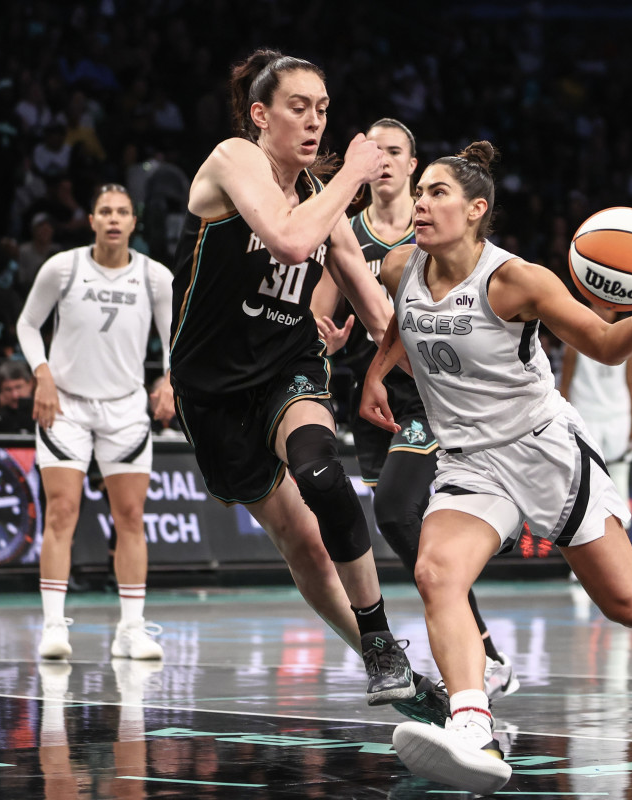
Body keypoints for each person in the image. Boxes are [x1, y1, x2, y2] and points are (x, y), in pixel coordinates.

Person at [360, 142, 632, 795]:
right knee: (435, 572)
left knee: (631, 605)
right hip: (470, 460)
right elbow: (404, 323)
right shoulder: (397, 266)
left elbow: (606, 347)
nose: (420, 201)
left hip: (543, 450)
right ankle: (473, 725)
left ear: (477, 210)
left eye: (438, 192)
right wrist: (378, 370)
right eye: (421, 191)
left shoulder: (518, 281)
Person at [168, 50, 440, 721]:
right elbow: (291, 244)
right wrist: (352, 172)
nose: (315, 120)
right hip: (212, 393)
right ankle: (394, 667)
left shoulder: (323, 198)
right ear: (261, 115)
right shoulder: (234, 159)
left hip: (289, 366)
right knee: (303, 544)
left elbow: (380, 317)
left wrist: (437, 372)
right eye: (299, 107)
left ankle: (380, 645)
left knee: (322, 475)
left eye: (322, 108)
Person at [312, 118, 517, 701]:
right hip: (373, 398)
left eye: (393, 152)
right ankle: (484, 648)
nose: (381, 161)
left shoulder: (439, 228)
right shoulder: (345, 231)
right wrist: (323, 339)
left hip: (432, 396)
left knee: (399, 511)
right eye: (371, 152)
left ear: (411, 166)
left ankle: (475, 644)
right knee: (407, 523)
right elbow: (320, 313)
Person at [18, 183, 174, 662]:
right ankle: (51, 625)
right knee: (62, 511)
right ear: (90, 220)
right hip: (64, 405)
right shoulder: (62, 268)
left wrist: (169, 381)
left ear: (133, 223)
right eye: (104, 210)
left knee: (130, 517)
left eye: (122, 212)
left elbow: (176, 341)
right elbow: (28, 325)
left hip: (125, 407)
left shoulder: (155, 277)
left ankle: (130, 629)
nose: (112, 218)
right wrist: (41, 374)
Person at [558, 303, 632, 499]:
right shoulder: (573, 343)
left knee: (619, 480)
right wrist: (562, 422)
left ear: (615, 313)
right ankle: (588, 528)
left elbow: (631, 385)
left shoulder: (627, 342)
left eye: (607, 308)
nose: (601, 311)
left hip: (618, 416)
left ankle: (622, 526)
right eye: (596, 307)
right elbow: (565, 386)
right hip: (585, 416)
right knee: (586, 483)